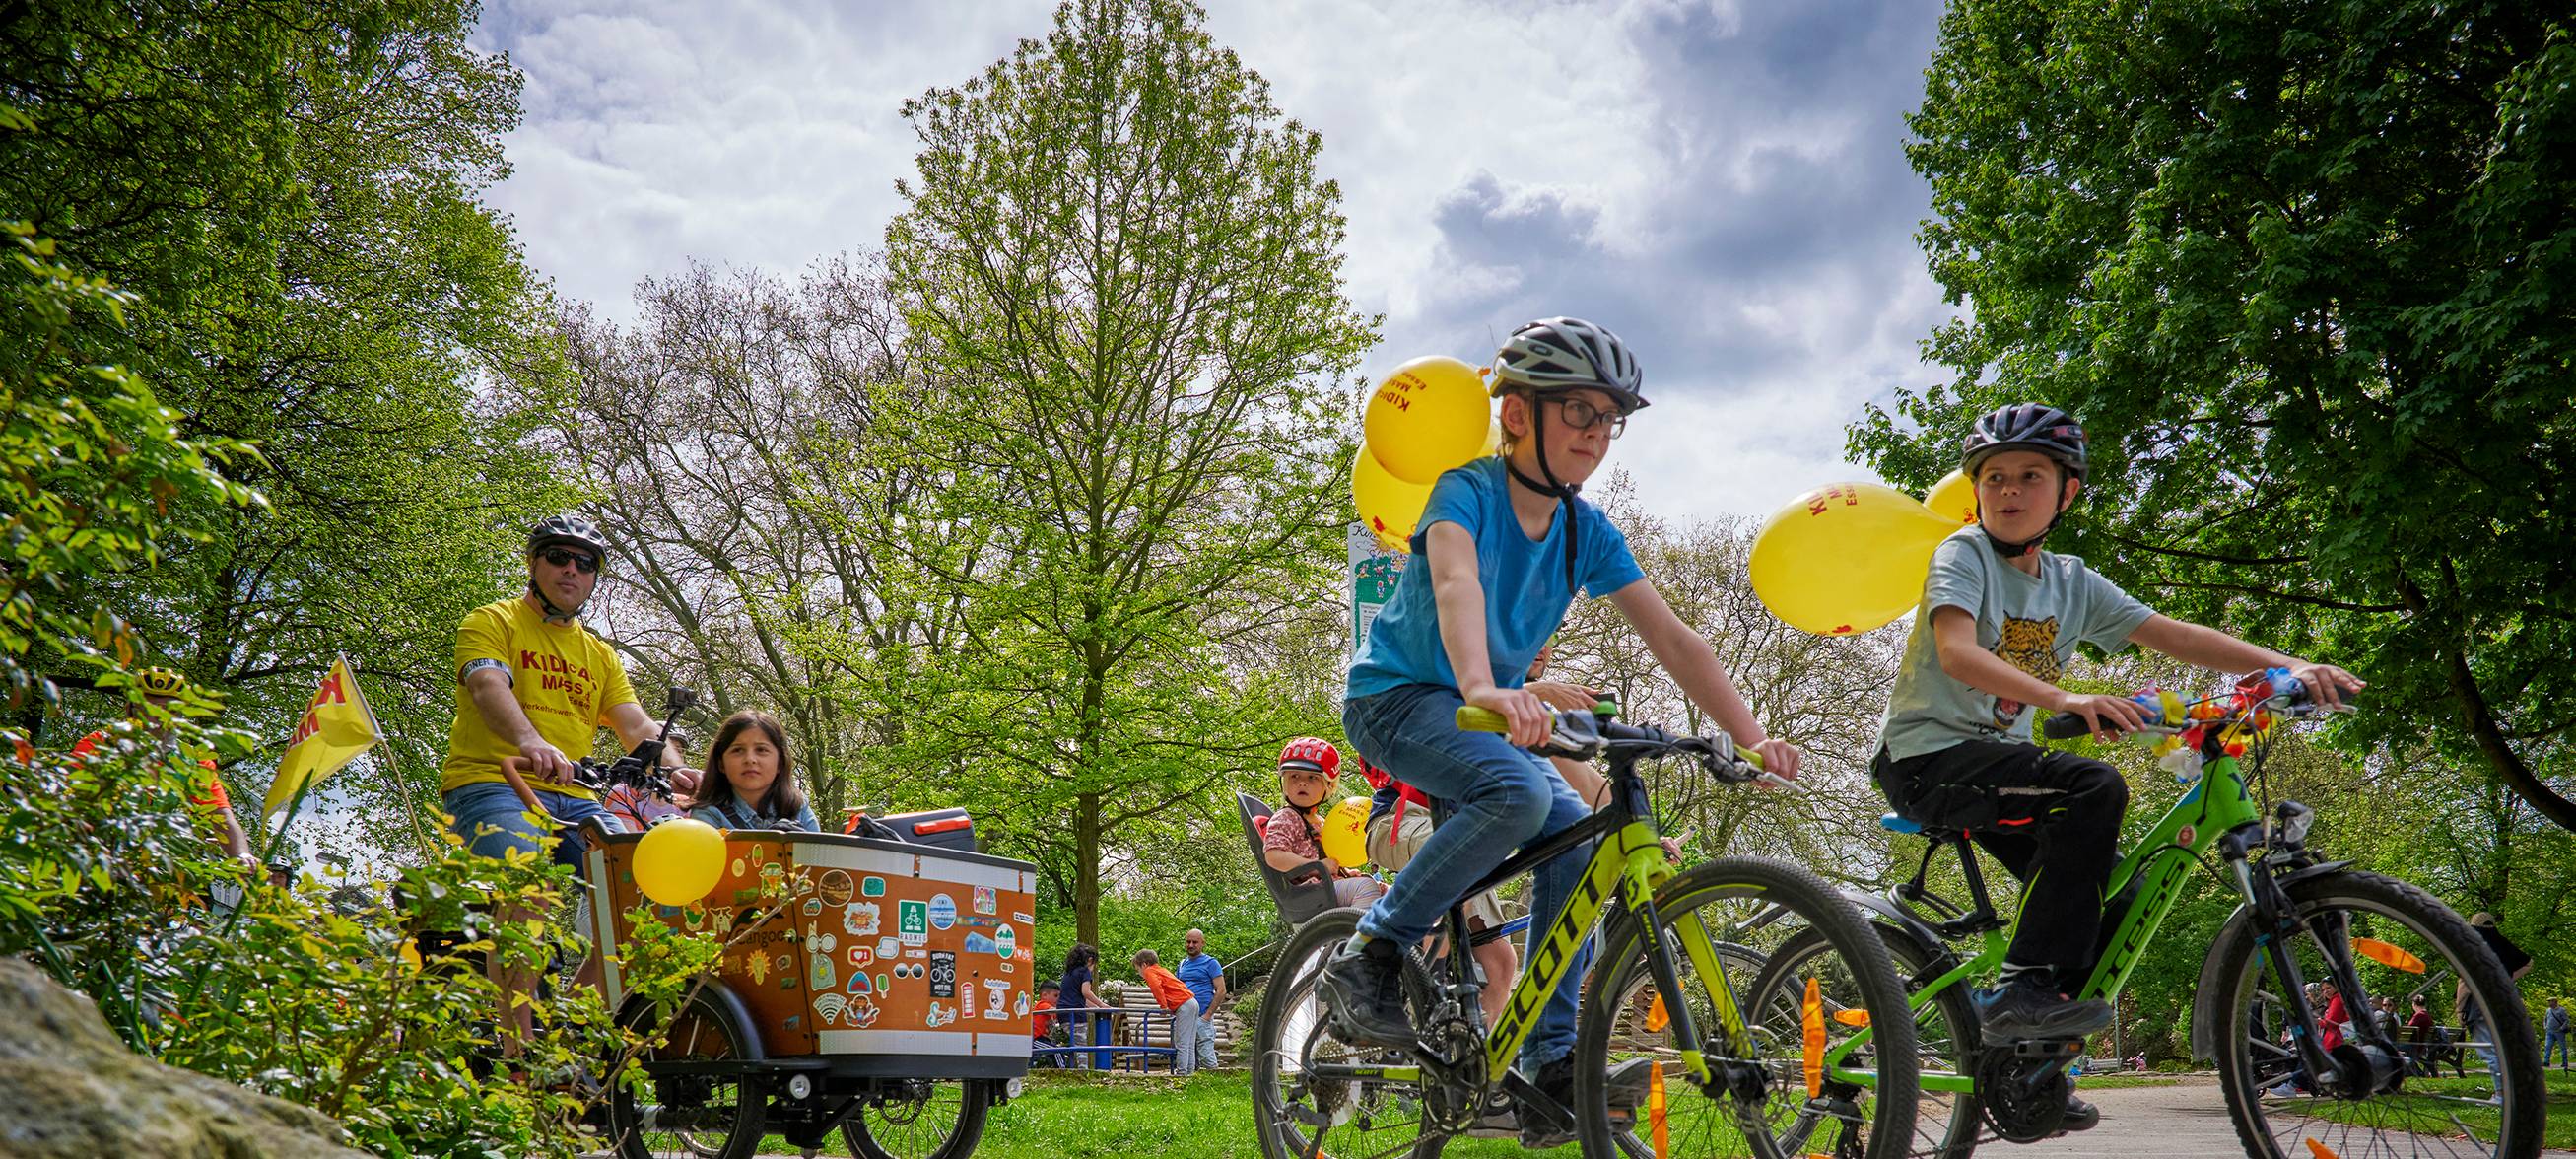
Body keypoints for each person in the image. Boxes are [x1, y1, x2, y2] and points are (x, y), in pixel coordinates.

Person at [1318, 317, 1804, 1149]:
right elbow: (1456, 579)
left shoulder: (1586, 530)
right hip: (1400, 697)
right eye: (1575, 410)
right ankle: (1371, 951)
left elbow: (1677, 640)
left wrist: (1751, 738)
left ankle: (1549, 1062)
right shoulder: (1465, 492)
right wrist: (1485, 685)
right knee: (1510, 793)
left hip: (1478, 705)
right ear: (1515, 416)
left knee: (1577, 838)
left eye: (1607, 419)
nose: (1593, 433)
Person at [1871, 404, 2362, 1129]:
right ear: (1975, 491)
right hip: (1927, 759)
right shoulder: (1963, 554)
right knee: (2094, 785)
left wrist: (2293, 664)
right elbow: (1958, 653)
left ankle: (2037, 1059)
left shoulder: (2071, 581)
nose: (2009, 490)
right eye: (1994, 477)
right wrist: (2061, 694)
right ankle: (2018, 990)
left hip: (2002, 766)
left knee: (2113, 895)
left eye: (2030, 477)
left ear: (2066, 492)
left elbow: (2176, 635)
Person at [439, 514, 692, 1052]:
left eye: (585, 563)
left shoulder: (598, 654)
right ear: (534, 564)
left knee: (643, 896)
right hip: (495, 783)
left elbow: (635, 723)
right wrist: (531, 741)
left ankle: (570, 1035)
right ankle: (518, 1053)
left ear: (595, 578)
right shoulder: (493, 621)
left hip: (577, 798)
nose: (571, 570)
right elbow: (488, 686)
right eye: (558, 556)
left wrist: (676, 769)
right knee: (523, 892)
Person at [68, 666, 259, 876]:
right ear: (130, 708)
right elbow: (68, 792)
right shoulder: (99, 744)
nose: (154, 718)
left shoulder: (193, 762)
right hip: (93, 853)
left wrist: (241, 855)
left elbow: (221, 815)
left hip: (152, 865)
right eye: (147, 707)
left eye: (165, 709)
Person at [1260, 738, 1388, 908]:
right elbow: (1274, 856)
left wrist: (1346, 872)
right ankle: (1358, 932)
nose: (1302, 782)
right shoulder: (1285, 818)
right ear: (1284, 783)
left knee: (1389, 891)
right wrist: (1317, 866)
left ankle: (1416, 932)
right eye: (1294, 776)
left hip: (1330, 885)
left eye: (1312, 777)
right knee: (1365, 887)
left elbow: (1329, 861)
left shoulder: (1322, 822)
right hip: (1312, 891)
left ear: (1329, 786)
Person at [686, 710, 818, 832]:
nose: (750, 759)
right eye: (737, 750)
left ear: (780, 763)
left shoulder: (799, 808)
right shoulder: (707, 816)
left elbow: (821, 856)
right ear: (721, 764)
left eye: (761, 750)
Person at [2459, 911, 2534, 1099]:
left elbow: (2465, 983)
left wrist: (2460, 1009)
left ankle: (2502, 1095)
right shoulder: (2503, 944)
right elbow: (2529, 963)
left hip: (2482, 1003)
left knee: (2490, 1050)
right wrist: (2507, 978)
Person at [1133, 948, 1205, 1076]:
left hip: (1183, 1004)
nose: (1139, 973)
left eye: (1137, 969)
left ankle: (1182, 1073)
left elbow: (1156, 986)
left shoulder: (1150, 971)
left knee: (1181, 1042)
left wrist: (1163, 1007)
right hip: (1192, 1002)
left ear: (1144, 964)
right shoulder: (1162, 970)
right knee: (1189, 1041)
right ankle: (1189, 1072)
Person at [1174, 929, 1227, 1071]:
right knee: (1186, 1051)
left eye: (1195, 942)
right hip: (1185, 1017)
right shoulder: (1182, 964)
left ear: (1203, 943)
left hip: (1202, 1016)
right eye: (1188, 942)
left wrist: (1207, 1015)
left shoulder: (1211, 963)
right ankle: (1189, 1083)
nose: (1191, 945)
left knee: (1206, 1055)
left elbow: (1221, 990)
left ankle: (1215, 1085)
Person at [1057, 943, 1108, 1070]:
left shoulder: (1069, 973)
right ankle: (1083, 1072)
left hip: (1063, 1014)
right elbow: (1086, 992)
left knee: (1076, 1044)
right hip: (1076, 1015)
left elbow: (1080, 998)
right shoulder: (1084, 972)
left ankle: (1076, 1069)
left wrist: (1096, 1008)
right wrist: (1101, 1004)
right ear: (1090, 960)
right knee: (1081, 1046)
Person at [1031, 980, 1062, 1061]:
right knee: (1056, 1052)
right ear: (1044, 995)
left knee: (1057, 1051)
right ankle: (1063, 1071)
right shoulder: (1041, 1005)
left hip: (1043, 1039)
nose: (1058, 999)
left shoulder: (1052, 1011)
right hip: (1035, 1039)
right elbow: (1053, 1011)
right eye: (1056, 996)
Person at [2542, 998, 2568, 1071]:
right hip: (2549, 1032)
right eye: (2548, 1002)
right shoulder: (2548, 1010)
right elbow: (2545, 1019)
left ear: (2555, 1002)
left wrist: (2561, 1028)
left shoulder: (2561, 1010)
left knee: (2562, 1047)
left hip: (2559, 1032)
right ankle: (2546, 1062)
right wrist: (2545, 1026)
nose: (2549, 1003)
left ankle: (2565, 1063)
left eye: (2550, 1001)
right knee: (2547, 1047)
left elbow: (2566, 1020)